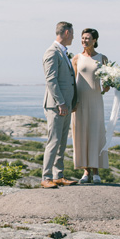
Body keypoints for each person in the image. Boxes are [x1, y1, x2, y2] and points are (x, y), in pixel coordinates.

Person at [40, 21, 79, 189]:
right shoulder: (52, 52)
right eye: (73, 33)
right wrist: (61, 102)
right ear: (67, 33)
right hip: (56, 105)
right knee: (53, 141)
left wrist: (72, 102)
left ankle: (58, 175)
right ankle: (46, 176)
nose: (74, 36)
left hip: (66, 105)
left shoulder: (63, 52)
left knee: (62, 141)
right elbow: (51, 80)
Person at [71, 28, 110, 183]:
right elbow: (72, 82)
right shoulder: (76, 58)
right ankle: (85, 172)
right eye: (82, 38)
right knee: (81, 134)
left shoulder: (103, 58)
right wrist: (73, 101)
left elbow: (106, 82)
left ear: (94, 40)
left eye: (87, 38)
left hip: (95, 100)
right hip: (80, 101)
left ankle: (96, 172)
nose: (84, 41)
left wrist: (108, 86)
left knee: (96, 133)